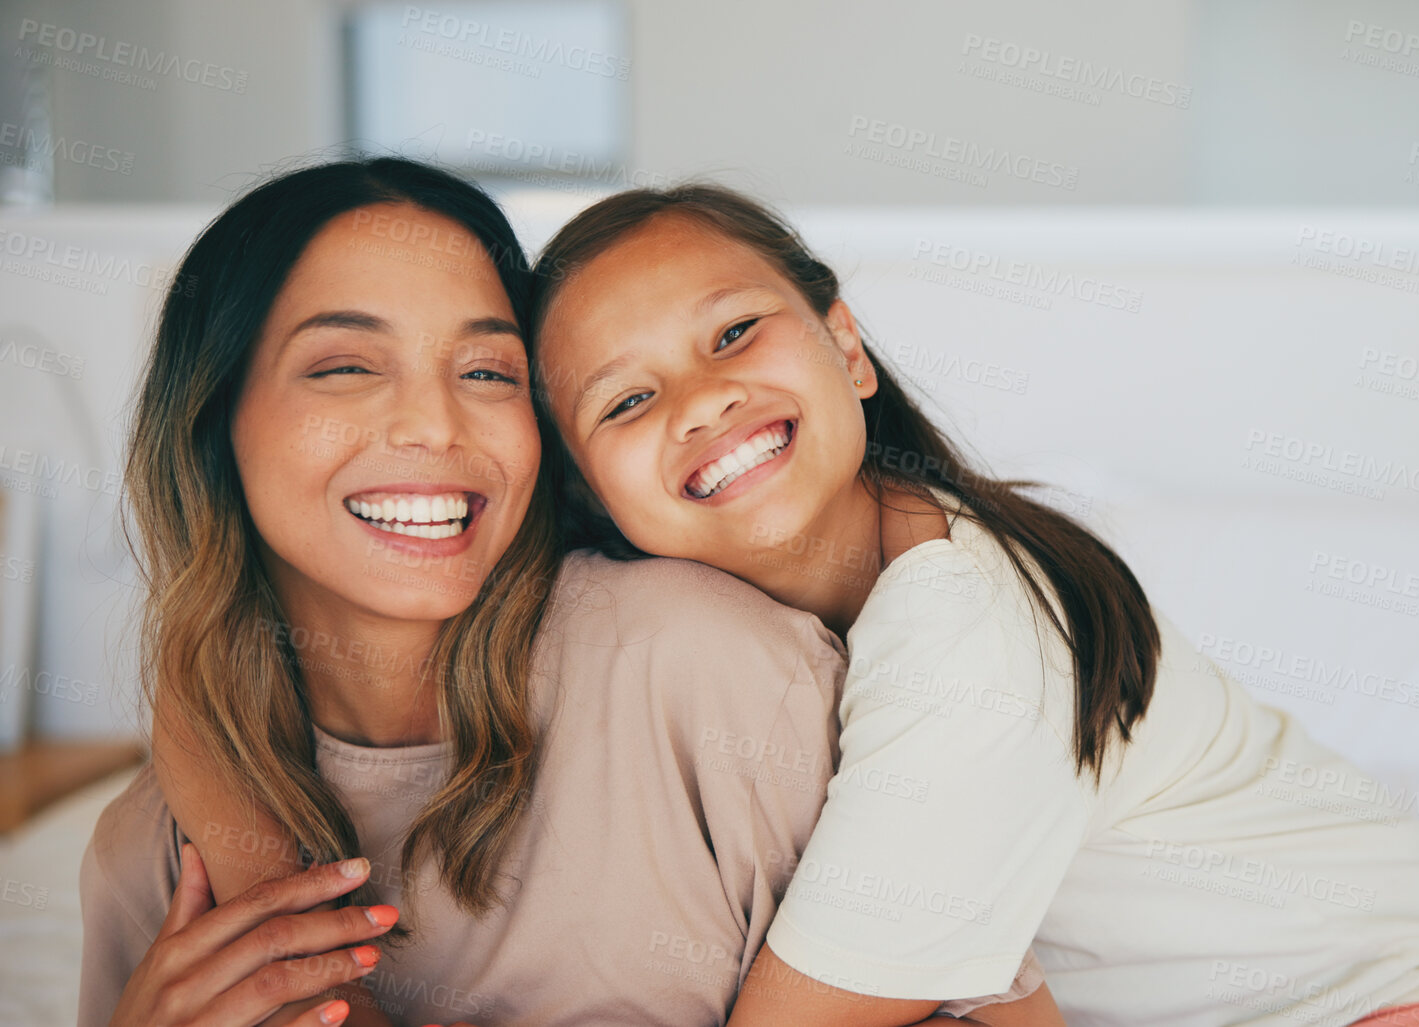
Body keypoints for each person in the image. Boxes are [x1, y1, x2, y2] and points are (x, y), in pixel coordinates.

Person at [527, 184, 1419, 1027]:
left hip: (1359, 999)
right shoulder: (709, 634)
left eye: (733, 333)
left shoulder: (963, 635)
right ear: (587, 490)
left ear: (847, 345)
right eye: (628, 398)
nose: (702, 398)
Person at [80, 158, 1042, 1027]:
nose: (432, 422)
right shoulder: (165, 854)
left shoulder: (704, 669)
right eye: (344, 366)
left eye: (486, 370)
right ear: (214, 425)